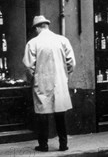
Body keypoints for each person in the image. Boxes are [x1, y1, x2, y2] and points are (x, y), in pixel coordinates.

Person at [23, 15, 76, 152]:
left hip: (42, 83)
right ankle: (63, 144)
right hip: (59, 82)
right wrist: (65, 76)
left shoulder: (33, 43)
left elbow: (29, 67)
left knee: (42, 115)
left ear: (37, 28)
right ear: (46, 25)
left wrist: (31, 80)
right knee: (60, 114)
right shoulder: (62, 40)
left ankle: (43, 145)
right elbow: (71, 62)